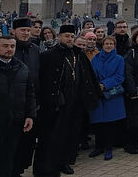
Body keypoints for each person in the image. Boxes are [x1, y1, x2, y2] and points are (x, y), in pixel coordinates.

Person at [34, 25, 101, 176]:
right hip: (56, 104)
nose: (69, 39)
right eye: (66, 36)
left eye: (72, 36)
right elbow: (42, 81)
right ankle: (48, 167)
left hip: (75, 103)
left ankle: (64, 162)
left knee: (71, 136)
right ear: (59, 37)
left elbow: (89, 77)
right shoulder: (48, 56)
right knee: (52, 136)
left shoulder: (79, 55)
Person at [0, 36, 36, 177]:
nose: (9, 49)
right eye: (5, 46)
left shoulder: (22, 68)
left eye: (12, 46)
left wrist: (30, 115)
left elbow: (30, 94)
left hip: (15, 121)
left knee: (11, 156)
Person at [10, 18, 41, 176]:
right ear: (14, 31)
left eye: (28, 31)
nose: (26, 33)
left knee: (27, 141)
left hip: (31, 101)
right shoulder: (8, 47)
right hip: (12, 103)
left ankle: (20, 169)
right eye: (23, 30)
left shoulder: (35, 49)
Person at [88, 36, 126, 161]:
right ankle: (98, 146)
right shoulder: (96, 58)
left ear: (114, 45)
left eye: (111, 44)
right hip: (98, 94)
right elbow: (92, 74)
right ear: (102, 45)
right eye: (106, 44)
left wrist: (104, 84)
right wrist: (97, 85)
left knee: (110, 123)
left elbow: (120, 77)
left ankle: (108, 148)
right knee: (98, 122)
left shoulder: (119, 59)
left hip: (111, 94)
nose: (108, 46)